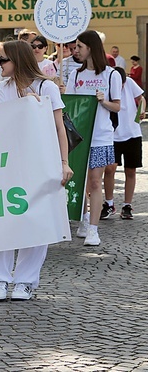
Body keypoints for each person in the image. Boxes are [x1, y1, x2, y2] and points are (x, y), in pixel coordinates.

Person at [0, 40, 73, 301]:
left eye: (3, 60)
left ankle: (25, 280)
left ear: (17, 60)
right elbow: (5, 124)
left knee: (38, 218)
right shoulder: (3, 88)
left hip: (43, 160)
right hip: (12, 162)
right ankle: (0, 279)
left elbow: (59, 127)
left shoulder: (46, 86)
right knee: (5, 218)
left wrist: (63, 162)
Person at [66, 30, 121, 246]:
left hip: (100, 136)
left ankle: (94, 229)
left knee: (95, 181)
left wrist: (103, 101)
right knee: (80, 181)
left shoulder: (111, 75)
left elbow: (117, 105)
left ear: (91, 47)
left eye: (79, 46)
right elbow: (69, 105)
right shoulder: (76, 75)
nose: (76, 50)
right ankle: (84, 217)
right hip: (78, 136)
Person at [102, 67, 144, 220]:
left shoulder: (130, 83)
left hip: (132, 133)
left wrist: (141, 111)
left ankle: (127, 205)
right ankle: (109, 203)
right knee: (110, 168)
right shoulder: (107, 85)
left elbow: (141, 98)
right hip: (112, 134)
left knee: (131, 170)